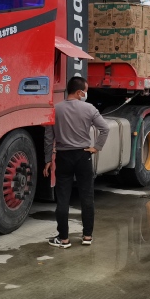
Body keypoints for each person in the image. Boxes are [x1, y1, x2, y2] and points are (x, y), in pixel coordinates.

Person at [44, 76, 110, 248]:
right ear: (80, 92)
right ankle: (87, 236)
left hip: (63, 156)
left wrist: (48, 160)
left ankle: (63, 239)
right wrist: (96, 147)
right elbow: (104, 128)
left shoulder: (55, 109)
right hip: (83, 156)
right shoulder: (89, 108)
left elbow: (48, 137)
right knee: (87, 196)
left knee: (63, 198)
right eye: (85, 91)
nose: (86, 94)